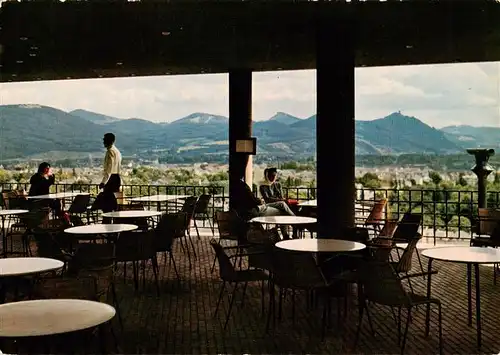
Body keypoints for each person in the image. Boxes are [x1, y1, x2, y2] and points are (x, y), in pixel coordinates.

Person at [231, 158, 295, 239]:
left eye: (274, 176)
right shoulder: (245, 187)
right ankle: (294, 224)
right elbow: (255, 200)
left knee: (283, 207)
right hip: (256, 210)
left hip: (253, 209)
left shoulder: (235, 188)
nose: (273, 177)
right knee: (282, 207)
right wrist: (259, 200)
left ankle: (287, 233)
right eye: (271, 175)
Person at [92, 133, 122, 213]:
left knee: (107, 206)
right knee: (112, 203)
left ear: (109, 141)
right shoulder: (117, 152)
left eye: (104, 139)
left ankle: (107, 222)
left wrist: (103, 182)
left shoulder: (110, 152)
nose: (103, 141)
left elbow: (109, 169)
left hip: (111, 180)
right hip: (117, 178)